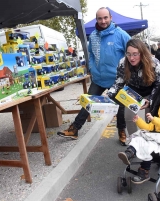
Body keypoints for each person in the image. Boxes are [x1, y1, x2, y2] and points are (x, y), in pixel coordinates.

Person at [57, 7, 131, 144]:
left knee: (120, 108)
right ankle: (74, 129)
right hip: (98, 78)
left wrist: (128, 71)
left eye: (105, 18)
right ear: (96, 19)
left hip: (117, 80)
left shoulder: (121, 35)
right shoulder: (94, 36)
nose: (103, 21)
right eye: (100, 18)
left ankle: (121, 131)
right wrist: (91, 67)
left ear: (111, 18)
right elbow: (90, 54)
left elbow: (133, 52)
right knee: (88, 103)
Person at [107, 38, 160, 141]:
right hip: (132, 92)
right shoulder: (123, 63)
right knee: (129, 117)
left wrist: (150, 100)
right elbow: (119, 82)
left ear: (142, 53)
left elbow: (159, 85)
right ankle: (135, 142)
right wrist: (108, 96)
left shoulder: (154, 63)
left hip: (151, 91)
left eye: (135, 54)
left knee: (150, 119)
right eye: (128, 54)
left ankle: (150, 142)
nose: (131, 58)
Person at [118, 100, 160, 184]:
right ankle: (129, 153)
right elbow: (147, 127)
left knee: (148, 147)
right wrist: (138, 120)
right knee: (138, 139)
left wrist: (154, 119)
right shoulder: (158, 120)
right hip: (153, 139)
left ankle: (144, 172)